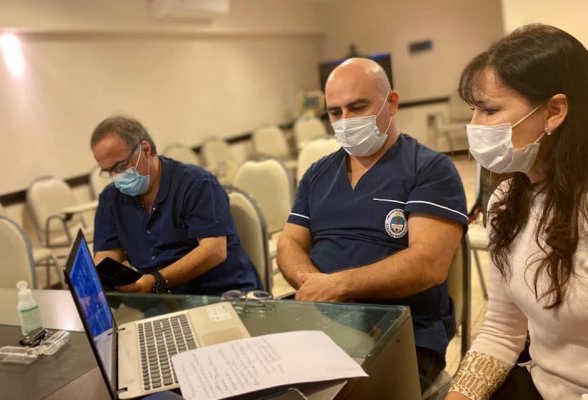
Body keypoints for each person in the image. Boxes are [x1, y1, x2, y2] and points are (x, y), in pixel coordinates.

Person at [277, 57, 468, 392]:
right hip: (319, 321)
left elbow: (428, 264)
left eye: (358, 107)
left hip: (400, 336)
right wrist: (316, 285)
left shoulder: (429, 169)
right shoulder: (318, 174)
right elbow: (289, 243)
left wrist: (340, 286)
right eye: (335, 113)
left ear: (391, 102)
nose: (345, 121)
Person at [446, 24, 588, 400]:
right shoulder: (507, 199)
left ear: (554, 111)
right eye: (473, 109)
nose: (474, 126)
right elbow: (502, 329)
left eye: (489, 110)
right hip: (541, 385)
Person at [90, 116, 262, 295]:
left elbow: (214, 251)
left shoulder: (196, 183)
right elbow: (106, 255)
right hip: (162, 300)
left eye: (121, 165)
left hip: (220, 294)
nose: (116, 177)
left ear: (145, 150)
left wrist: (156, 282)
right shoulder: (111, 199)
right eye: (107, 171)